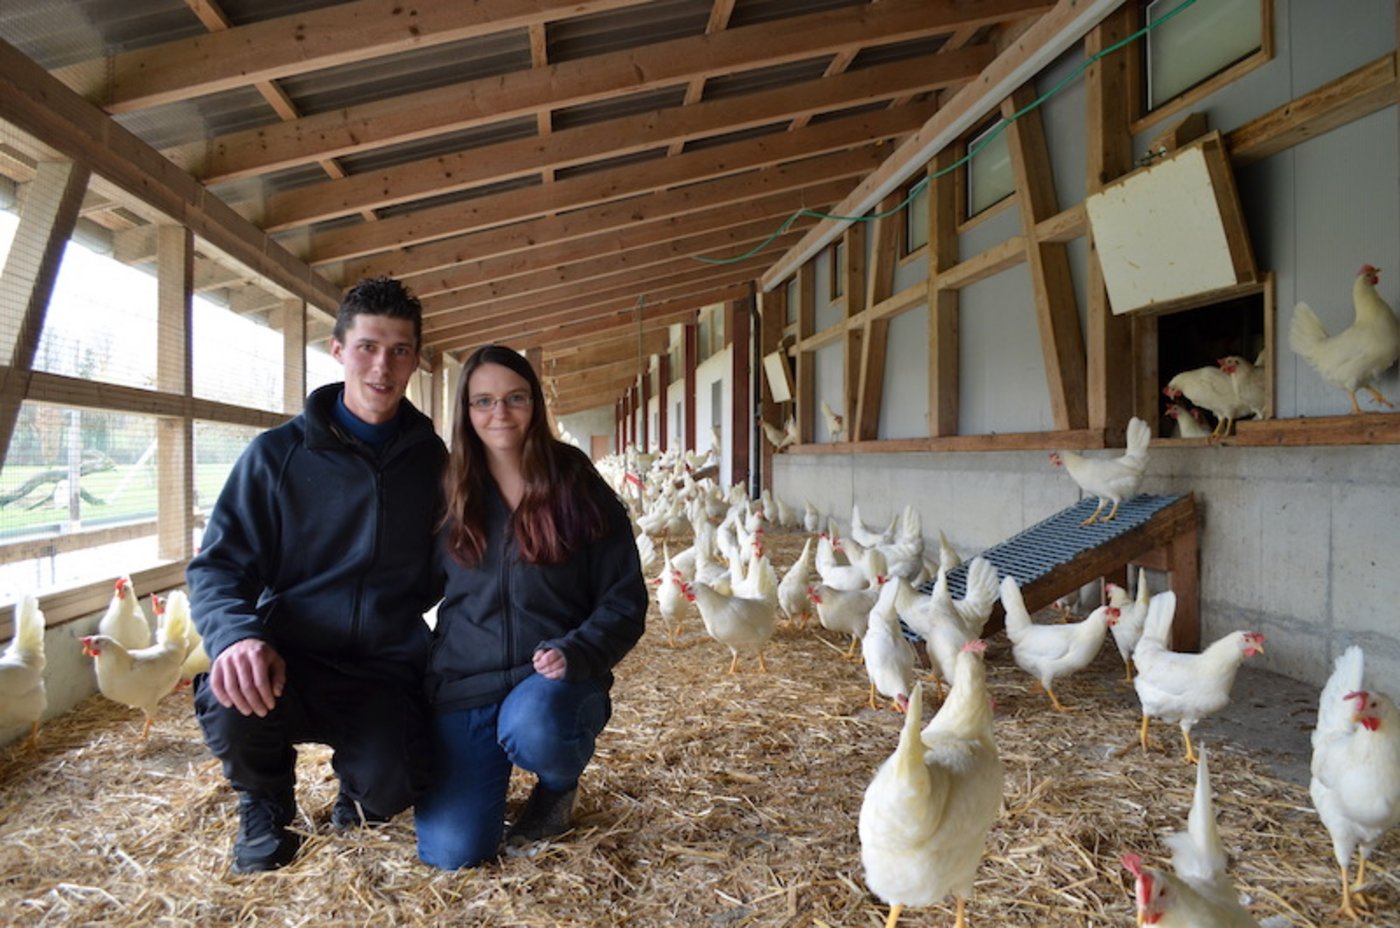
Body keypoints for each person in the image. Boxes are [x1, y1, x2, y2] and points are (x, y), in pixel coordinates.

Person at [187, 277, 446, 874]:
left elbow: (455, 568)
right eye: (368, 347)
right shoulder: (276, 456)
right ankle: (265, 797)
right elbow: (218, 565)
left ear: (414, 360)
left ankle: (360, 793)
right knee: (232, 694)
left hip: (383, 664)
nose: (383, 366)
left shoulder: (432, 463)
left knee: (398, 780)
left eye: (400, 350)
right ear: (337, 350)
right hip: (289, 656)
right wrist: (237, 636)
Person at [415, 344, 648, 870]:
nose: (500, 413)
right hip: (465, 683)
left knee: (537, 727)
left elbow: (625, 596)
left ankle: (557, 786)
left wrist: (580, 650)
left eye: (515, 398)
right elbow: (408, 587)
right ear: (466, 410)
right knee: (454, 853)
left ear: (535, 404)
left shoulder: (573, 479)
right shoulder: (449, 488)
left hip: (551, 679)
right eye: (484, 401)